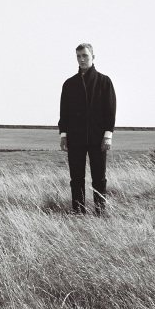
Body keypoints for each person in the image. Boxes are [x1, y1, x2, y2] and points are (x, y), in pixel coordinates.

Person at [58, 43, 116, 214]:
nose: (82, 59)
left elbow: (110, 110)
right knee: (76, 178)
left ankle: (100, 211)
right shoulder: (69, 84)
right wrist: (63, 135)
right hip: (75, 138)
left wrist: (108, 135)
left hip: (98, 138)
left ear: (93, 57)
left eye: (85, 55)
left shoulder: (104, 81)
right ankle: (78, 211)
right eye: (78, 56)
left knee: (99, 178)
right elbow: (64, 112)